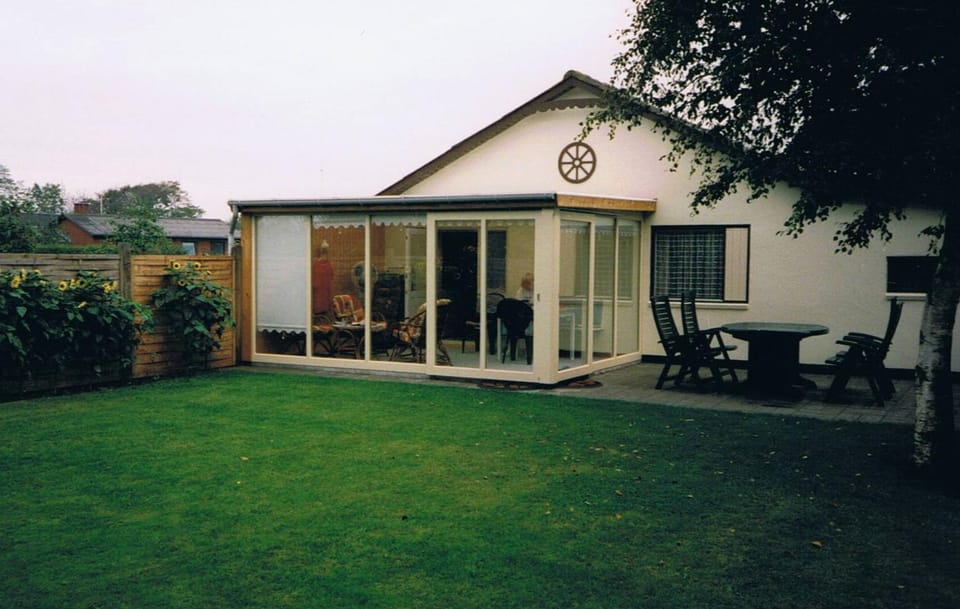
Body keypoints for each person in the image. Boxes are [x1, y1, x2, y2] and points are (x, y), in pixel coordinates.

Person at [312, 240, 334, 314]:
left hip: (324, 287)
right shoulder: (317, 264)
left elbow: (331, 275)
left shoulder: (326, 263)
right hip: (320, 288)